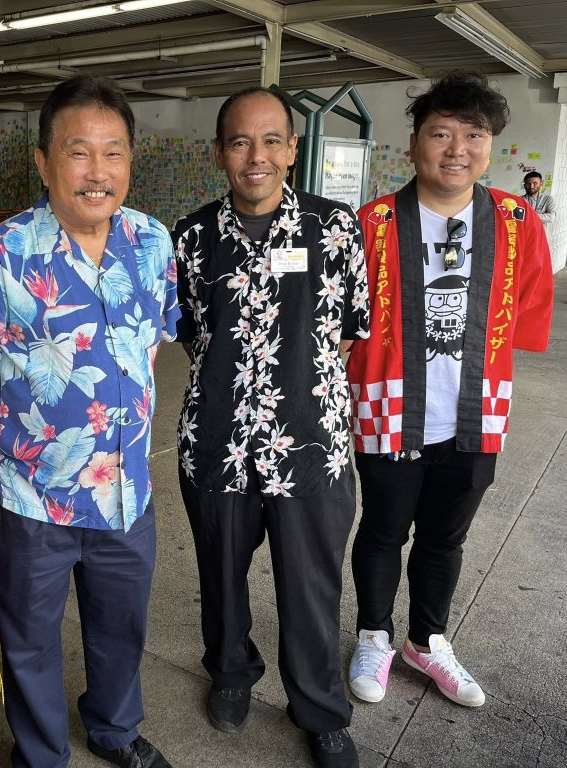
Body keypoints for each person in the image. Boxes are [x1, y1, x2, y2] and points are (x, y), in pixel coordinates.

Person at [0, 75, 178, 768]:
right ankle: (42, 752)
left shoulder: (151, 242)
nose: (98, 171)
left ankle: (114, 731)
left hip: (126, 494)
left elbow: (152, 340)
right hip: (29, 497)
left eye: (114, 153)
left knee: (121, 629)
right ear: (45, 163)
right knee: (29, 637)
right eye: (79, 152)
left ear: (130, 162)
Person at [172, 86, 369, 768]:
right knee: (221, 575)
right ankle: (230, 674)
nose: (256, 156)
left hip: (310, 446)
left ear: (293, 147)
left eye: (270, 140)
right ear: (220, 152)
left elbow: (347, 334)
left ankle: (319, 708)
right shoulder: (193, 236)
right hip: (217, 443)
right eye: (239, 142)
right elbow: (194, 336)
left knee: (312, 586)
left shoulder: (335, 228)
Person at [346, 72, 553, 714]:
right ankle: (374, 635)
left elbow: (527, 303)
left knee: (445, 537)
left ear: (490, 147)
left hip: (477, 409)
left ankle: (427, 639)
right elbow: (347, 316)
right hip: (388, 407)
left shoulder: (517, 220)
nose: (456, 148)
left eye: (474, 135)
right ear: (414, 144)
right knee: (383, 531)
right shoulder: (372, 222)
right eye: (441, 133)